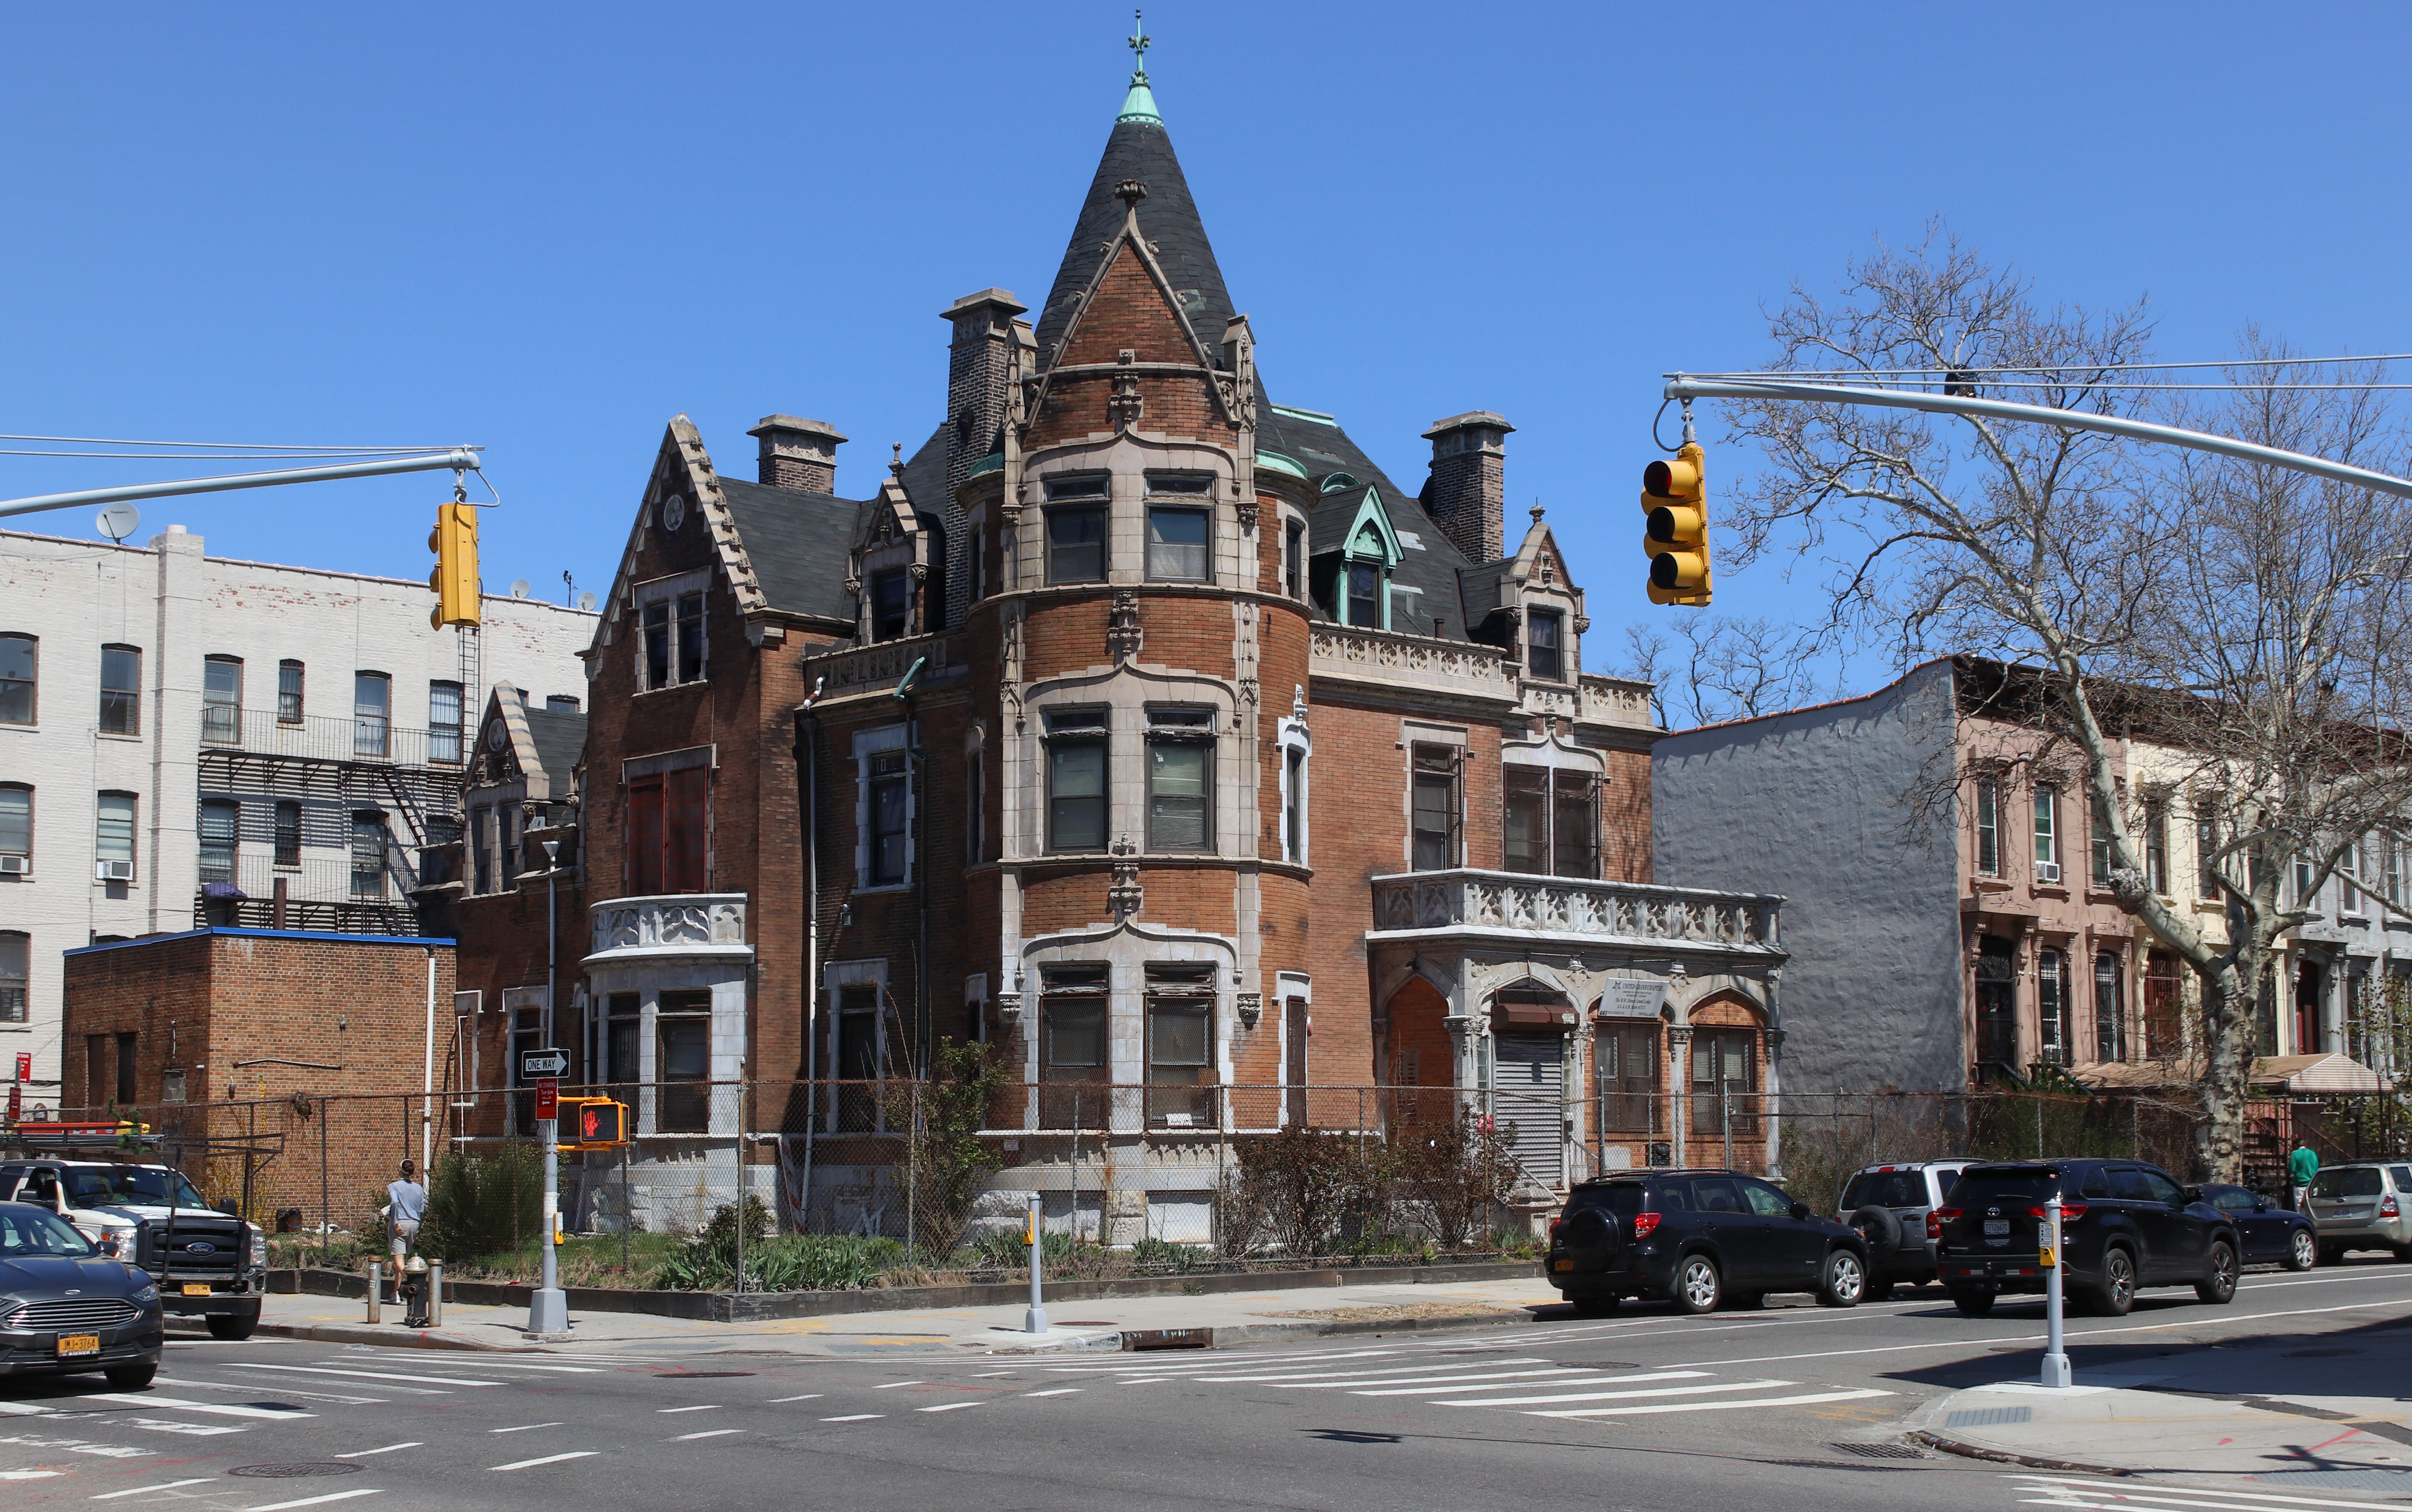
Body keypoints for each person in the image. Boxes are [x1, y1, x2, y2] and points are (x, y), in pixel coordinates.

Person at [383, 1160, 427, 1264]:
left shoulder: (393, 1186)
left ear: (401, 1170)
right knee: (405, 1257)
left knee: (399, 1260)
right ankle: (402, 1276)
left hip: (401, 1225)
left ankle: (412, 1275)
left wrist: (396, 1223)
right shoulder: (419, 1188)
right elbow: (422, 1208)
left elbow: (395, 1202)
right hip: (415, 1224)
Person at [2289, 1139, 2320, 1211]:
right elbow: (2317, 1167)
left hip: (2300, 1184)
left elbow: (2292, 1169)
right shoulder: (2313, 1153)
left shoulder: (2294, 1154)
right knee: (2312, 1207)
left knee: (2300, 1208)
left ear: (2296, 1146)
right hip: (2312, 1183)